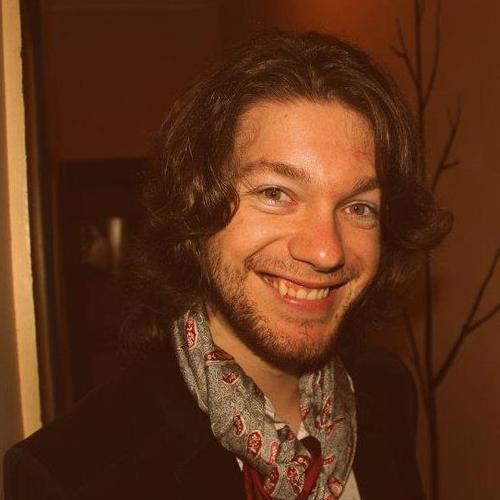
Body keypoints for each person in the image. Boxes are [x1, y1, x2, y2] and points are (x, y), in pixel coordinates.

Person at [4, 31, 451, 500]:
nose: (326, 252)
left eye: (359, 207)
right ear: (194, 206)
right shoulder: (70, 479)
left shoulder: (385, 392)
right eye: (275, 193)